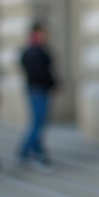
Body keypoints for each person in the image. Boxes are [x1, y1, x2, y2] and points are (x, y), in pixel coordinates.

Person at [18, 22, 57, 166]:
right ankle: (31, 152)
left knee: (38, 122)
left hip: (38, 89)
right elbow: (42, 72)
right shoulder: (34, 51)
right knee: (38, 122)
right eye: (43, 33)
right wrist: (53, 83)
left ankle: (32, 151)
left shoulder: (34, 50)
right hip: (38, 90)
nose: (45, 36)